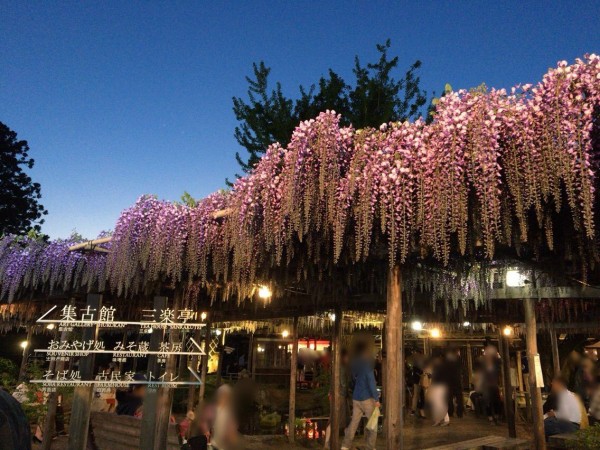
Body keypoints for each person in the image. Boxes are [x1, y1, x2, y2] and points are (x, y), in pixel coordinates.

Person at [342, 341, 379, 450]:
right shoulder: (368, 365)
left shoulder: (354, 364)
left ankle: (345, 445)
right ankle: (370, 446)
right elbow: (371, 382)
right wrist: (376, 399)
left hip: (356, 397)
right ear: (366, 353)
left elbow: (353, 378)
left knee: (354, 422)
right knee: (373, 423)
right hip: (366, 398)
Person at [324, 348, 350, 449]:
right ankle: (343, 444)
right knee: (340, 419)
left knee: (335, 419)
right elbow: (343, 383)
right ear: (344, 357)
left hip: (333, 394)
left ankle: (328, 443)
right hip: (339, 395)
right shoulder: (342, 367)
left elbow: (332, 381)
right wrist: (344, 394)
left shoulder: (335, 366)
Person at [428, 356, 449, 426]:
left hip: (439, 387)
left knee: (439, 404)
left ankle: (444, 420)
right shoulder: (439, 368)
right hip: (439, 387)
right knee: (437, 404)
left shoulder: (440, 368)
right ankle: (439, 420)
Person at [444, 347, 464, 418]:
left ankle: (450, 412)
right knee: (459, 397)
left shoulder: (447, 360)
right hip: (457, 379)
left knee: (449, 397)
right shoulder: (458, 359)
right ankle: (460, 412)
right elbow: (461, 368)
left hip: (449, 380)